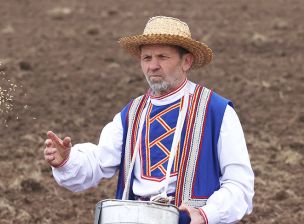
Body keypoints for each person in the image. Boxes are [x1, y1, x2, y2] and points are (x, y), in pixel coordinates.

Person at [43, 16, 254, 224]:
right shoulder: (131, 114)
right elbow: (99, 162)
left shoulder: (217, 111)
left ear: (186, 61)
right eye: (147, 58)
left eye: (163, 57)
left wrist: (207, 214)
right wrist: (66, 161)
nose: (153, 66)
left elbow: (240, 184)